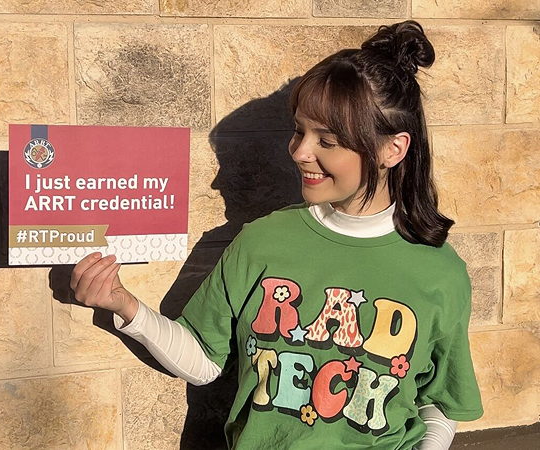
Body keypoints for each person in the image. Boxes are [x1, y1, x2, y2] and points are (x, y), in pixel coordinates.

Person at [70, 20, 483, 450]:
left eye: (328, 140)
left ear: (391, 150)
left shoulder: (440, 271)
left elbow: (442, 402)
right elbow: (203, 360)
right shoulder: (262, 241)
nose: (301, 152)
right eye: (300, 131)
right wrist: (125, 306)